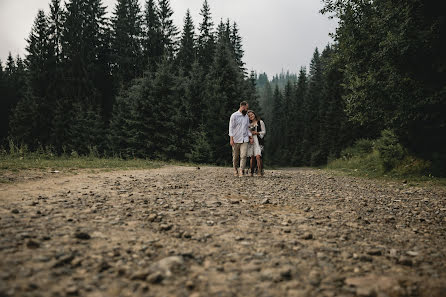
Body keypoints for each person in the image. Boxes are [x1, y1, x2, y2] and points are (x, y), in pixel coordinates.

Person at [229, 101, 253, 177]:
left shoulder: (246, 117)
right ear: (242, 107)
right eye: (246, 108)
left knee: (244, 155)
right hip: (236, 139)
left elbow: (247, 128)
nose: (247, 110)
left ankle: (241, 170)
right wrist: (231, 139)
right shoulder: (234, 116)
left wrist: (250, 137)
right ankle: (235, 169)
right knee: (235, 156)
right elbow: (231, 128)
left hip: (244, 139)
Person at [247, 110, 266, 176]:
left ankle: (260, 171)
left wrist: (257, 133)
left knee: (258, 156)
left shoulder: (260, 122)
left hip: (258, 141)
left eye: (252, 114)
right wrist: (250, 135)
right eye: (249, 116)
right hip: (251, 141)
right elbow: (246, 133)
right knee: (252, 157)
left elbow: (264, 132)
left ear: (254, 114)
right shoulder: (248, 124)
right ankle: (251, 172)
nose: (251, 116)